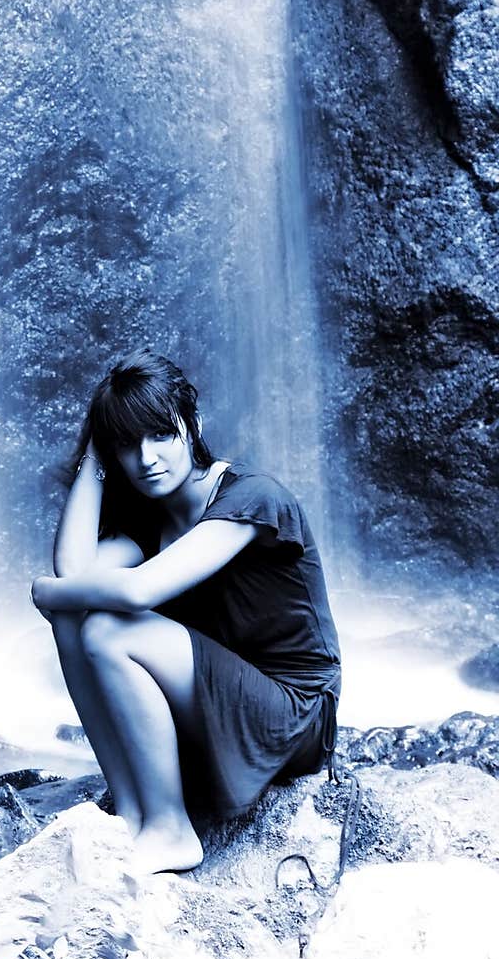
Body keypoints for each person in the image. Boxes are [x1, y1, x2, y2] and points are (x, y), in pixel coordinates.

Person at [30, 350, 341, 876]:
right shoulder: (151, 521)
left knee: (106, 629)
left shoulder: (252, 500)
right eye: (126, 444)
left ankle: (171, 830)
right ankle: (132, 812)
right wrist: (93, 454)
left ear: (192, 425)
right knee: (78, 617)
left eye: (160, 435)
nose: (146, 457)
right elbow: (75, 572)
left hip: (292, 713)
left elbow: (133, 592)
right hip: (211, 700)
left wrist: (47, 592)